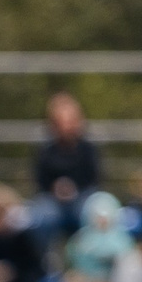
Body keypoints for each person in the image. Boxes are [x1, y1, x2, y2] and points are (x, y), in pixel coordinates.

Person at [31, 91, 102, 245]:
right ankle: (43, 262)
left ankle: (86, 261)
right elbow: (39, 179)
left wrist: (74, 188)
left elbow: (94, 178)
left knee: (91, 214)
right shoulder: (44, 149)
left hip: (83, 196)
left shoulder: (88, 148)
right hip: (51, 199)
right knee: (42, 217)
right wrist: (55, 188)